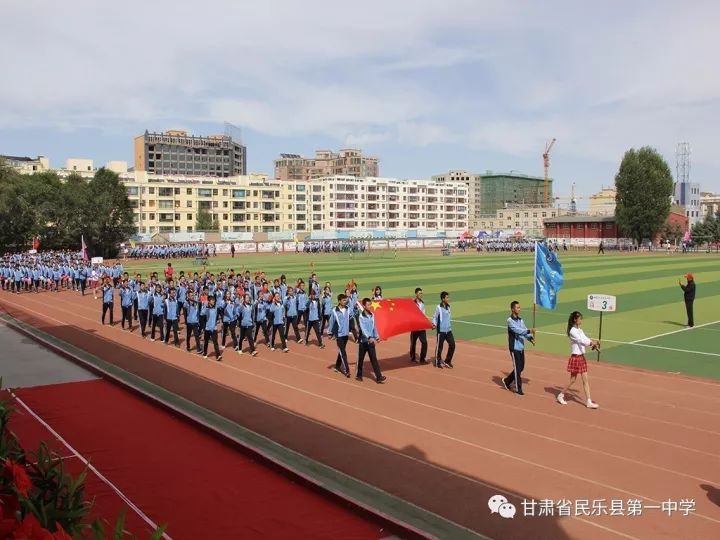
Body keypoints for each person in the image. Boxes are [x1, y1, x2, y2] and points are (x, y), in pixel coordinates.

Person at [557, 311, 599, 409]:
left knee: (585, 380)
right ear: (575, 320)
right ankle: (561, 395)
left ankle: (588, 401)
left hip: (581, 357)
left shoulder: (579, 330)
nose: (581, 320)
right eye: (580, 318)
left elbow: (585, 338)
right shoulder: (572, 331)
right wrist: (592, 344)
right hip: (576, 357)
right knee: (573, 380)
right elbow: (581, 341)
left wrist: (593, 343)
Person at [502, 301, 535, 395]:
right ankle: (518, 388)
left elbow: (524, 330)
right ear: (512, 309)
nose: (519, 309)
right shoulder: (509, 321)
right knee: (517, 368)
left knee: (521, 367)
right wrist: (529, 330)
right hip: (514, 348)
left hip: (521, 347)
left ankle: (507, 381)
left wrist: (530, 338)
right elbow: (519, 331)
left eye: (519, 307)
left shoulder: (521, 320)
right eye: (517, 307)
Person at [356, 298, 386, 383]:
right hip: (364, 342)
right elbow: (363, 328)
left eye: (370, 304)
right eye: (368, 305)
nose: (370, 306)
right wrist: (369, 337)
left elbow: (374, 327)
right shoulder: (361, 316)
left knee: (374, 359)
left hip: (371, 342)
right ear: (364, 306)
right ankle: (359, 375)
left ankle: (379, 377)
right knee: (361, 359)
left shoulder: (372, 315)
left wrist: (376, 337)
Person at [329, 293, 352, 377]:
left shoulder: (348, 309)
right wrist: (330, 333)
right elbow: (331, 322)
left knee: (341, 351)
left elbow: (352, 314)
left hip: (346, 334)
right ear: (339, 301)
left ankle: (337, 366)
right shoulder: (334, 310)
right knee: (343, 352)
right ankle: (347, 370)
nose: (345, 302)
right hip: (339, 334)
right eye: (343, 300)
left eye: (345, 300)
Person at [433, 291, 455, 369]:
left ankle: (447, 361)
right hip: (441, 331)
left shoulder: (449, 307)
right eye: (447, 297)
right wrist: (434, 324)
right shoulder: (438, 307)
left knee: (452, 345)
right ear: (443, 299)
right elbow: (435, 317)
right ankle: (437, 361)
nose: (448, 299)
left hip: (448, 330)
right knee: (439, 347)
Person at [409, 287, 430, 364]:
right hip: (414, 326)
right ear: (416, 294)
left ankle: (422, 358)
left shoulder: (422, 303)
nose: (421, 294)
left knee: (424, 342)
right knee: (413, 342)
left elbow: (423, 315)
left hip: (421, 326)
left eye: (421, 293)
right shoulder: (412, 303)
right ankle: (412, 357)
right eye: (419, 293)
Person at [201, 295, 222, 361]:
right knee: (206, 342)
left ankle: (218, 355)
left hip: (214, 328)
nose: (214, 301)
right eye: (212, 300)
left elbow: (221, 304)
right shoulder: (206, 309)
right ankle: (205, 353)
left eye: (214, 300)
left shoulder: (215, 307)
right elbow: (202, 313)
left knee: (215, 342)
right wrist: (206, 305)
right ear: (209, 301)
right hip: (207, 328)